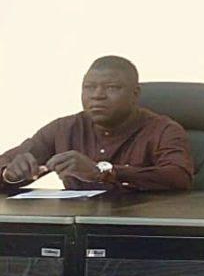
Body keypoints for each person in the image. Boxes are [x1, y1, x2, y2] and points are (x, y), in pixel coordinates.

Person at [0, 56, 193, 191]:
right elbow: (8, 163)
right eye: (89, 87)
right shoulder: (63, 129)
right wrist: (9, 174)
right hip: (77, 228)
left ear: (135, 94)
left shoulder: (163, 129)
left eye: (111, 88)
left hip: (140, 228)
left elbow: (179, 177)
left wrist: (102, 172)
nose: (97, 95)